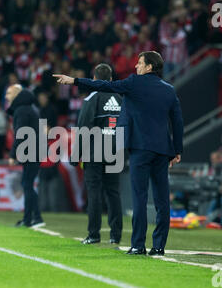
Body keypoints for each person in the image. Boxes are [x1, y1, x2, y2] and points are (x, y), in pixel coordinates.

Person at [53, 50, 184, 256]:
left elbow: (104, 85)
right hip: (163, 150)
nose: (136, 66)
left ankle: (138, 245)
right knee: (162, 200)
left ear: (149, 67)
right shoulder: (169, 90)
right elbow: (177, 121)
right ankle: (158, 246)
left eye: (140, 63)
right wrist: (177, 150)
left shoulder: (133, 83)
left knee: (139, 197)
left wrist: (74, 81)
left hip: (140, 149)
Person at [72, 63, 123, 245]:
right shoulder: (120, 98)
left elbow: (84, 128)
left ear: (94, 79)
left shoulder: (92, 98)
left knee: (94, 192)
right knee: (113, 193)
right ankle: (116, 235)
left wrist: (75, 155)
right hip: (115, 152)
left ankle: (94, 234)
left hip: (94, 152)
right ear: (110, 80)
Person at [6, 84, 45, 228]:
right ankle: (32, 218)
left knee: (27, 185)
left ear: (17, 93)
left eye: (9, 93)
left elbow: (20, 134)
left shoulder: (22, 110)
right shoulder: (29, 109)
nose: (6, 96)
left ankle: (32, 219)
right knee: (27, 184)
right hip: (34, 150)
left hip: (31, 151)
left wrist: (13, 154)